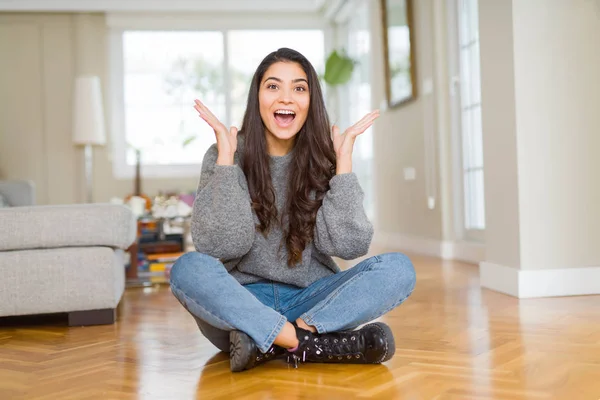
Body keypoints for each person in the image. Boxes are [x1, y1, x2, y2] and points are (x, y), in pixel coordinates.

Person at [169, 47, 416, 372]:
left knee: (399, 269)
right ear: (257, 97)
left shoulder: (325, 158)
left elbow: (348, 247)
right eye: (273, 86)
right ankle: (310, 345)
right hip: (242, 304)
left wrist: (342, 165)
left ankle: (273, 342)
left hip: (312, 299)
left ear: (310, 101)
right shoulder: (225, 153)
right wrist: (227, 164)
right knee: (188, 268)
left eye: (299, 88)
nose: (286, 97)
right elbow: (221, 246)